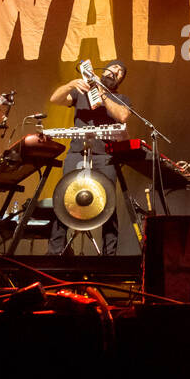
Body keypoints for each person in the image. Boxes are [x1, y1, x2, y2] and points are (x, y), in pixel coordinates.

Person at [46, 60, 130, 256]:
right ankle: (55, 253)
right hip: (77, 153)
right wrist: (70, 85)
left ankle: (109, 257)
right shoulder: (81, 92)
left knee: (108, 203)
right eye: (113, 68)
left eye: (120, 72)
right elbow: (55, 99)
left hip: (105, 157)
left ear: (120, 81)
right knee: (64, 199)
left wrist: (104, 96)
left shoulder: (120, 97)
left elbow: (123, 116)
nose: (115, 72)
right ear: (103, 70)